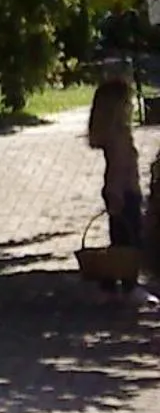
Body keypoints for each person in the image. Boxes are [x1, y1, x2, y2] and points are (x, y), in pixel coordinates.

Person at [87, 74, 143, 292]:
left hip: (120, 191)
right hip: (124, 192)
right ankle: (125, 286)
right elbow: (117, 169)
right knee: (129, 242)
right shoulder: (119, 136)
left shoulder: (115, 135)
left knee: (121, 239)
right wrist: (116, 194)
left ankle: (113, 285)